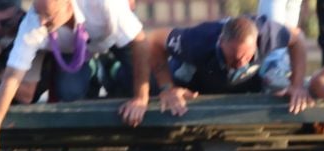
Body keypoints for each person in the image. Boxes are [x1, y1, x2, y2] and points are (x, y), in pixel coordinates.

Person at [0, 0, 147, 151]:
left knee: (146, 85)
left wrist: (140, 98)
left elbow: (140, 41)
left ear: (68, 4)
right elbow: (11, 79)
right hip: (76, 49)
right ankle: (95, 71)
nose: (43, 21)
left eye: (49, 15)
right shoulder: (33, 23)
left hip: (115, 39)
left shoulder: (104, 4)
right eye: (39, 13)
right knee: (69, 92)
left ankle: (111, 70)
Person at [122, 14, 308, 124]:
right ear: (220, 42)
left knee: (276, 80)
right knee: (137, 84)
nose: (240, 63)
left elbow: (297, 39)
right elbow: (153, 40)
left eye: (246, 56)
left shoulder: (268, 34)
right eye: (234, 58)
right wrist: (167, 88)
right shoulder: (199, 40)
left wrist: (297, 85)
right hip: (193, 82)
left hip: (244, 83)